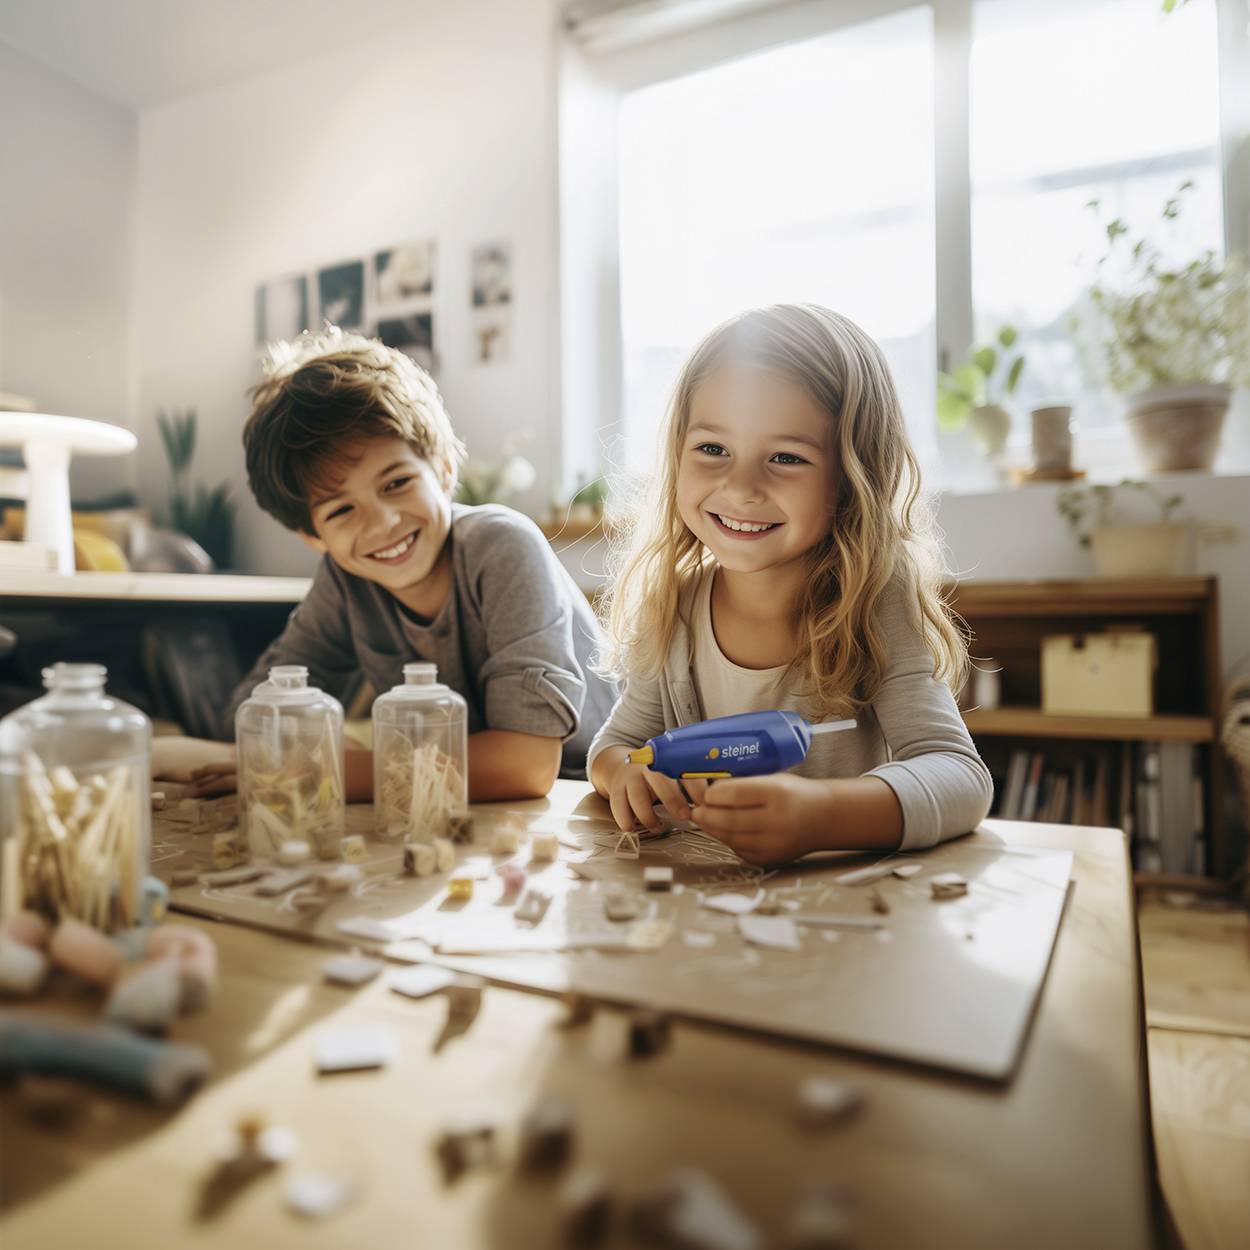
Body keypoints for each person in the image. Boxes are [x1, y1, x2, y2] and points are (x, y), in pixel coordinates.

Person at [587, 304, 992, 865]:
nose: (742, 486)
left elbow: (960, 775)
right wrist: (623, 776)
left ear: (852, 479)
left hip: (847, 911)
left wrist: (821, 815)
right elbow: (616, 746)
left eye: (785, 457)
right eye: (712, 449)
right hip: (703, 907)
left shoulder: (876, 600)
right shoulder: (675, 604)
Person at [191, 326, 616, 802]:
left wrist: (332, 769)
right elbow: (251, 715)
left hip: (590, 797)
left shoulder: (502, 544)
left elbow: (527, 766)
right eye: (341, 511)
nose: (383, 522)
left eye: (395, 483)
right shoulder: (345, 579)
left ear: (444, 470)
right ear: (314, 536)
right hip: (463, 803)